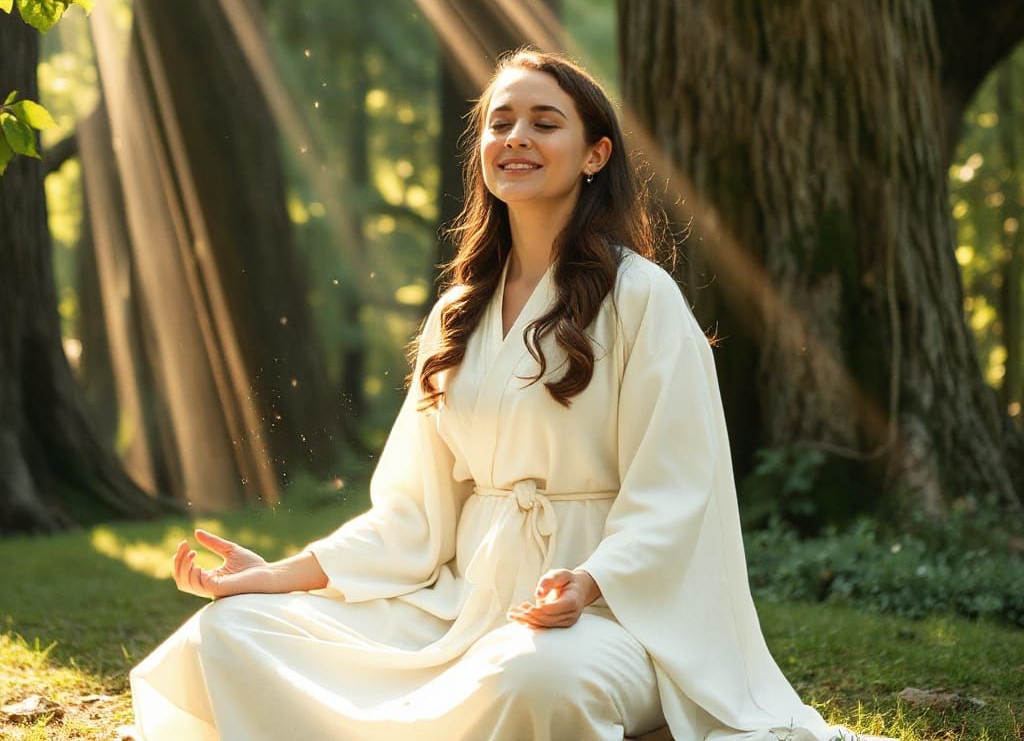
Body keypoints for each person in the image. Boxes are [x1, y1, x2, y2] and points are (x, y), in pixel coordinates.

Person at [130, 49, 876, 741]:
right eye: (500, 122)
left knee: (533, 676)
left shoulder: (641, 298)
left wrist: (588, 584)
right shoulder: (458, 313)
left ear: (595, 155)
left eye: (544, 123)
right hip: (462, 610)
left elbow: (679, 489)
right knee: (234, 631)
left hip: (616, 617)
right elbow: (410, 514)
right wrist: (274, 575)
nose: (515, 137)